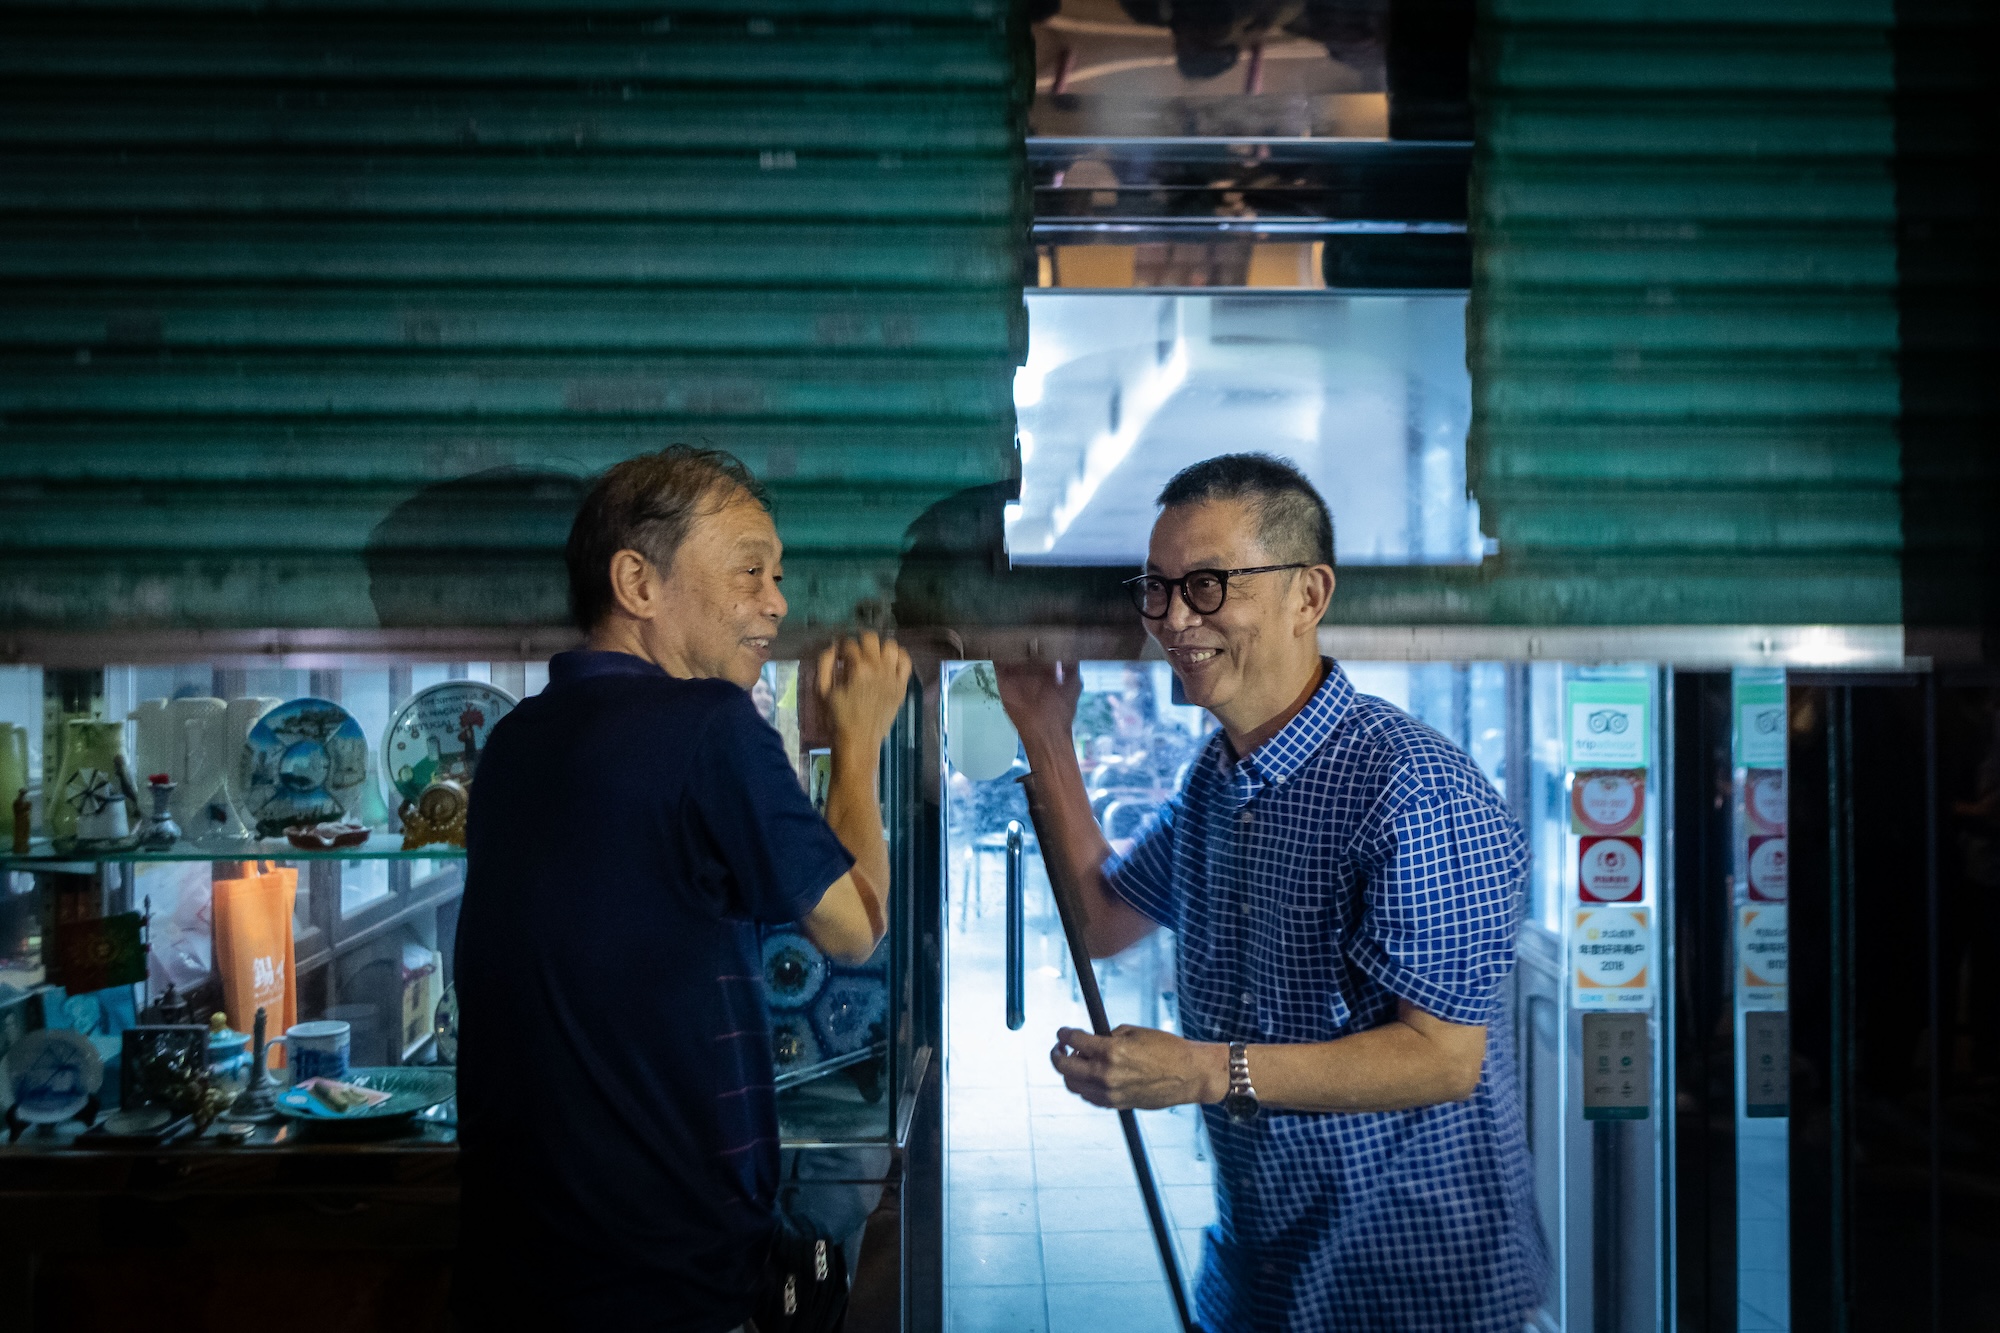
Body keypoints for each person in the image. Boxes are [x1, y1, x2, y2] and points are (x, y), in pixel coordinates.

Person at [998, 453, 1546, 1333]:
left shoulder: (1410, 787)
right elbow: (1104, 920)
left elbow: (1443, 1055)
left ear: (1309, 595)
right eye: (1158, 587)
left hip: (1408, 1287)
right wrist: (1048, 734)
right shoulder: (1218, 777)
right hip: (1263, 1274)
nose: (1174, 619)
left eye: (1210, 585)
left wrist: (1204, 1070)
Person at [454, 445, 911, 1330]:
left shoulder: (516, 739)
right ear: (638, 581)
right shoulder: (708, 724)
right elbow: (858, 928)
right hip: (664, 1271)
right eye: (748, 570)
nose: (776, 601)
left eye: (777, 575)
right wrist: (858, 745)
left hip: (514, 1263)